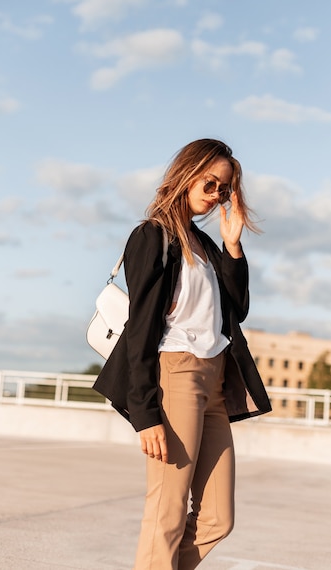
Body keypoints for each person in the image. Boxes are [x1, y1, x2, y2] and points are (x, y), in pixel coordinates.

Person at [93, 138, 271, 570]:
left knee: (216, 518)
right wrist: (146, 413)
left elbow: (238, 309)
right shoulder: (152, 236)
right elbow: (142, 331)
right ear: (186, 174)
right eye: (211, 183)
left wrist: (232, 246)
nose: (216, 196)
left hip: (215, 380)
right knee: (167, 512)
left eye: (224, 190)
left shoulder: (206, 247)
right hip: (175, 374)